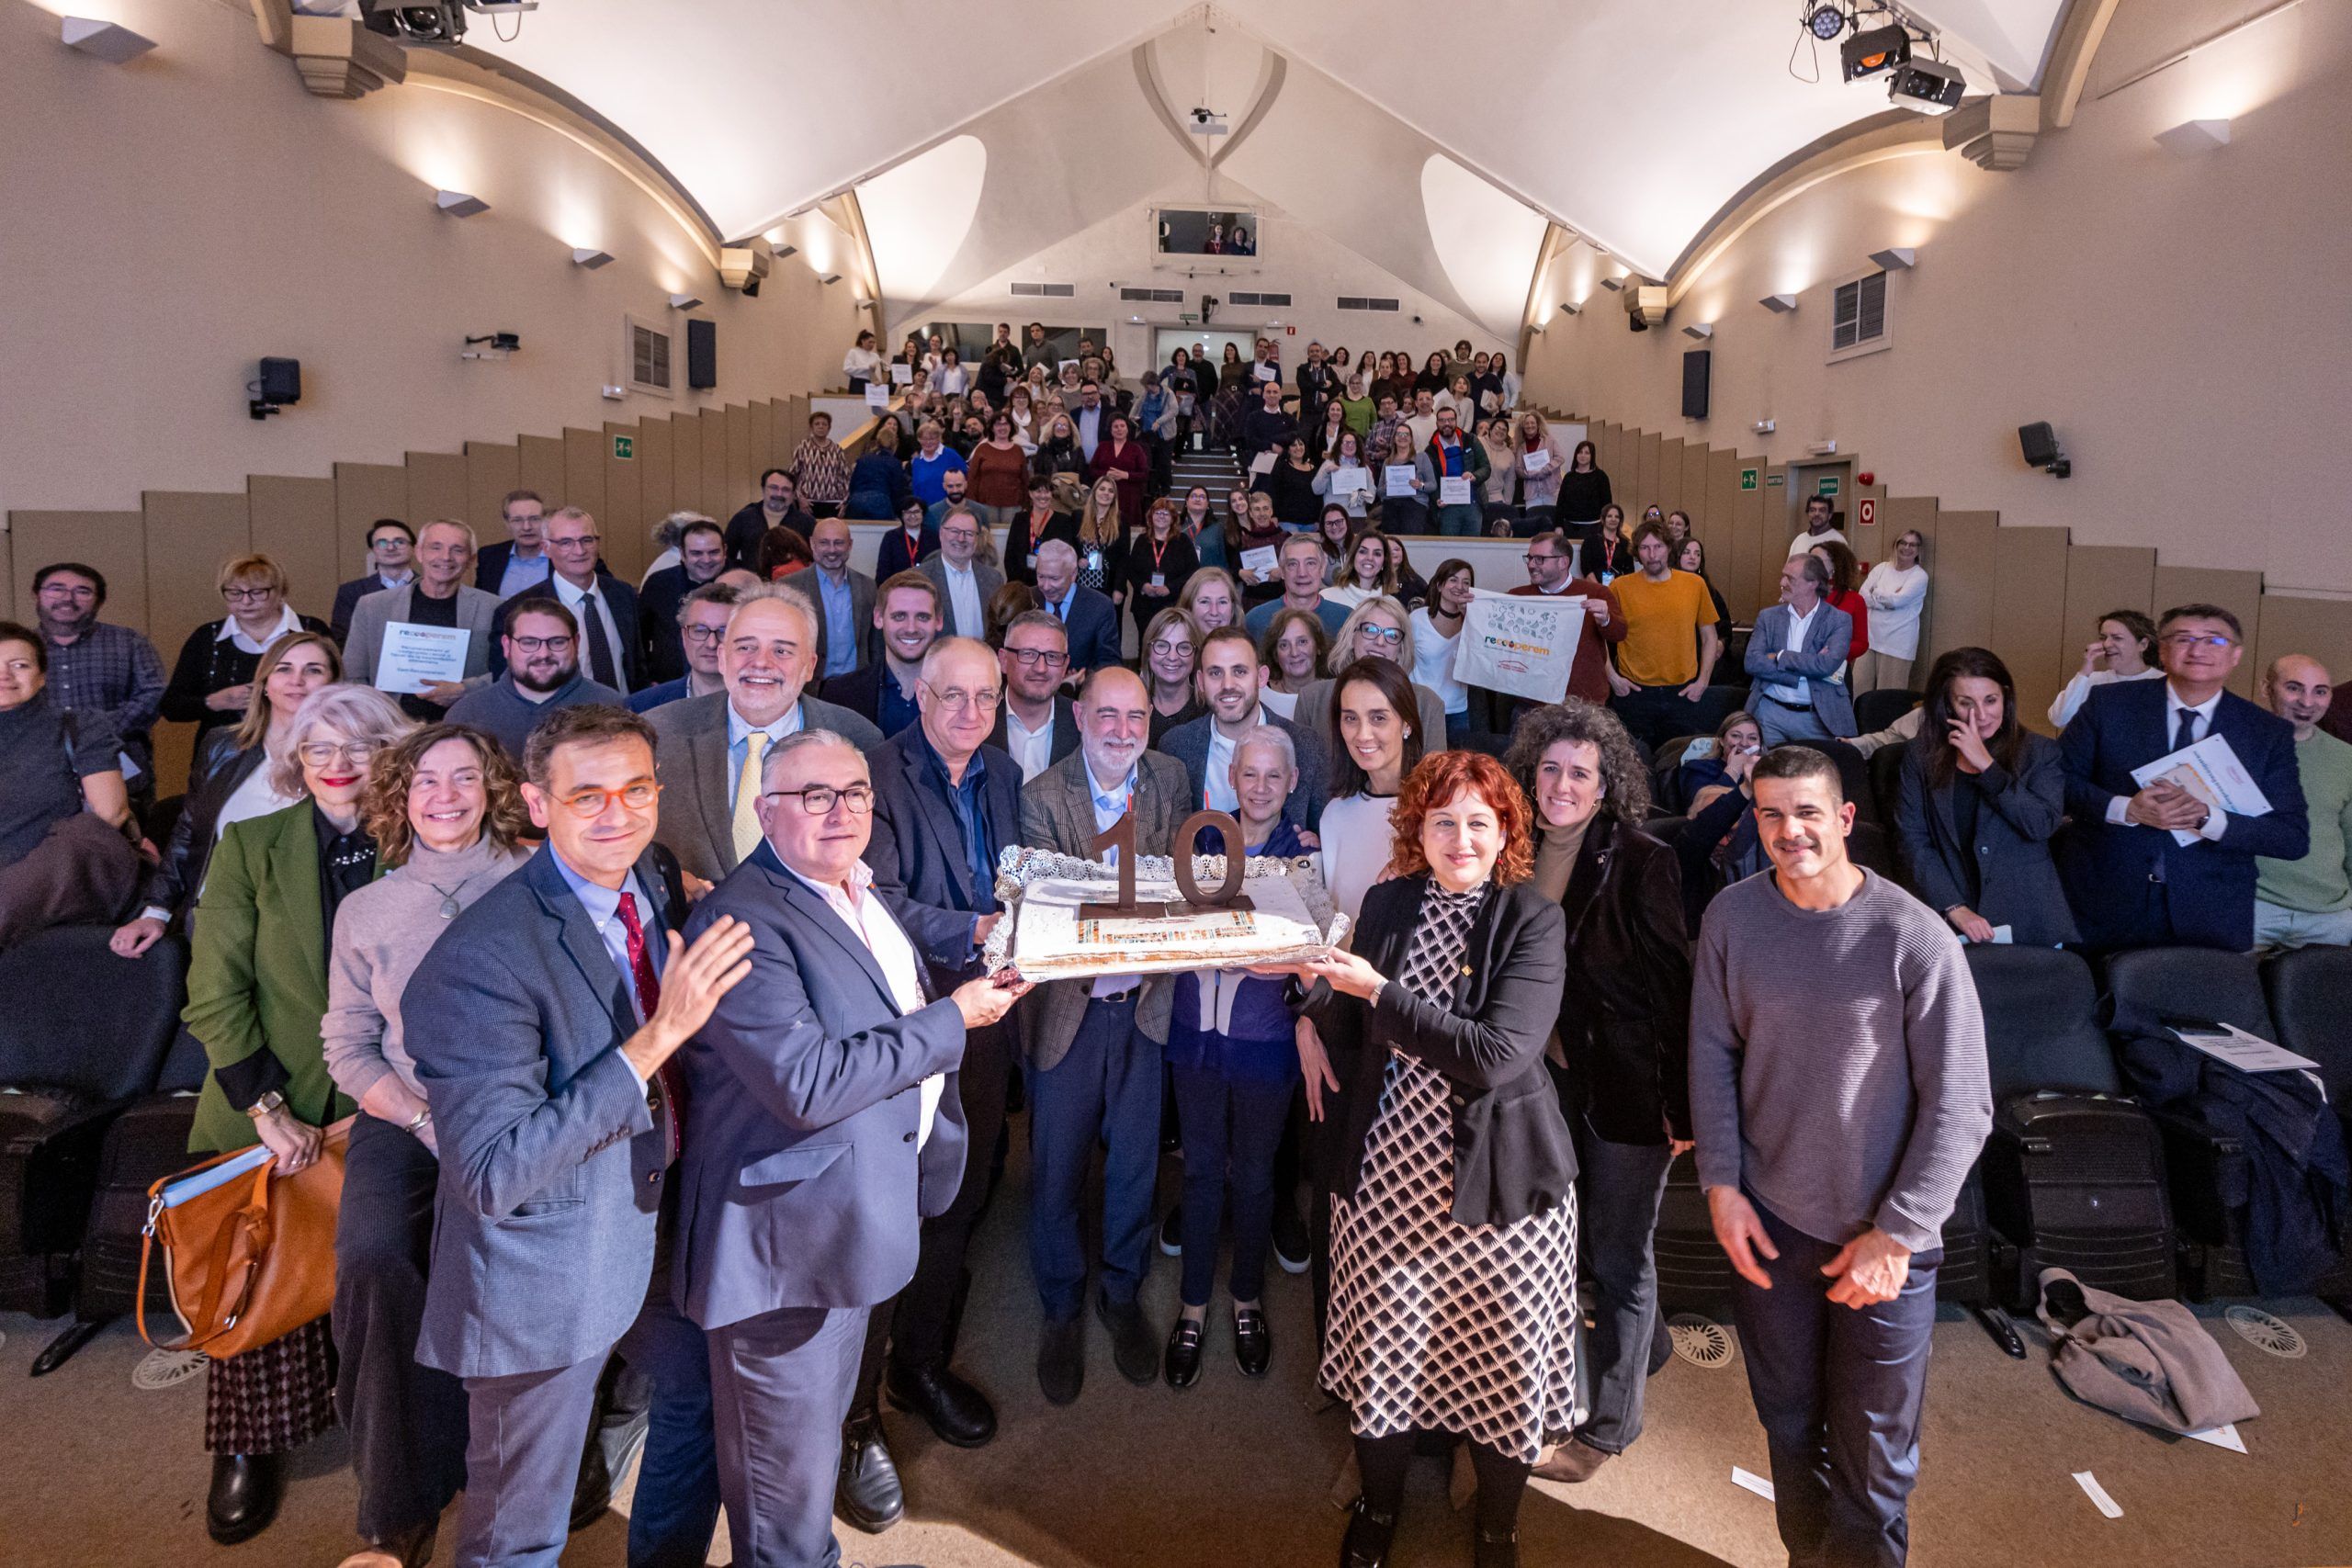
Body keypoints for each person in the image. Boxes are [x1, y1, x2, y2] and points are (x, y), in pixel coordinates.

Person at [402, 705, 754, 1568]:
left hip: (650, 1225)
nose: (617, 813)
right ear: (534, 803)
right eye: (587, 794)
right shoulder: (477, 959)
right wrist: (656, 1037)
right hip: (541, 1267)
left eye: (636, 789)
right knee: (519, 1529)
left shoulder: (655, 874)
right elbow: (492, 1171)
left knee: (703, 1394)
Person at [675, 723, 1023, 1561]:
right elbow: (809, 1082)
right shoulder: (744, 919)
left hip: (844, 1219)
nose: (841, 811)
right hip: (785, 1250)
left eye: (856, 793)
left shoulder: (851, 890)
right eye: (815, 795)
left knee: (807, 1453)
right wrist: (956, 1018)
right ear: (765, 810)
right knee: (781, 1503)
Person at [1691, 744, 1991, 1568]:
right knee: (1788, 1423)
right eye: (1773, 814)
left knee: (1872, 1458)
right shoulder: (1733, 918)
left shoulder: (1913, 936)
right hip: (1773, 1221)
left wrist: (1896, 1235)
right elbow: (1712, 1055)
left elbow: (1964, 1105)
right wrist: (1720, 1183)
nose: (1791, 831)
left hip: (1883, 1239)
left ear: (1846, 819)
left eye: (1808, 812)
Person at [1282, 749, 1572, 1568]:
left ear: (1506, 829)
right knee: (1387, 1360)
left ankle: (1497, 1526)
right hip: (1386, 1177)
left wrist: (1375, 990)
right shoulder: (1385, 901)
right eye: (1442, 820)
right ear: (1418, 828)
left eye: (1479, 821)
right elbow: (1347, 1024)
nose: (1460, 837)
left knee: (1499, 1367)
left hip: (1500, 1192)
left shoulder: (1533, 919)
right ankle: (1380, 1509)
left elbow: (1491, 1055)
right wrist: (1309, 991)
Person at [181, 682, 413, 1544]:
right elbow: (213, 989)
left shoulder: (421, 839)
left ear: (389, 755)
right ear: (296, 760)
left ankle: (391, 1435)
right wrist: (266, 1105)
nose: (339, 765)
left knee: (384, 1269)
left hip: (388, 1100)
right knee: (255, 1273)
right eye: (320, 750)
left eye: (358, 747)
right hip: (265, 1095)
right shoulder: (252, 842)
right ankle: (250, 1444)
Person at [320, 723, 531, 1568]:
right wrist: (417, 1117)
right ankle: (399, 1504)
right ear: (400, 798)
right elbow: (347, 1043)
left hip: (517, 1105)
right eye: (425, 782)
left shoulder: (537, 881)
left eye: (464, 778)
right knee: (374, 1255)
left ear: (493, 789)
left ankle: (533, 1461)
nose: (444, 795)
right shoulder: (367, 908)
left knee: (504, 1264)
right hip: (403, 1109)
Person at [837, 639, 1024, 1525]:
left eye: (985, 697)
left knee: (959, 1192)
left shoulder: (1001, 769)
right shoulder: (875, 770)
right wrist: (977, 924)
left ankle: (917, 1365)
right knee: (888, 1205)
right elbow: (871, 897)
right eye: (954, 696)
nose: (970, 711)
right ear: (920, 694)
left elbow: (1019, 875)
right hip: (904, 1018)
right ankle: (852, 1412)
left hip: (989, 1010)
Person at [1493, 701, 1689, 1484]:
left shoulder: (1642, 858)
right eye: (1550, 768)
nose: (1562, 784)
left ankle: (1609, 1430)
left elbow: (1675, 987)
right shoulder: (1518, 849)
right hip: (1554, 1079)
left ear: (1607, 783)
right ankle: (1654, 1345)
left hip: (1628, 1085)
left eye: (1580, 772)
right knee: (1585, 1242)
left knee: (1617, 1256)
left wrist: (1683, 1103)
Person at [1020, 667, 1190, 1404]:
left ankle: (1121, 1292)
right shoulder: (1041, 796)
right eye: (1107, 715)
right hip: (1071, 1011)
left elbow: (1181, 884)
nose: (1122, 731)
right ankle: (1060, 1302)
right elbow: (1056, 909)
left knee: (1133, 1169)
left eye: (1136, 717)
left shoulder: (1171, 780)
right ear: (1080, 717)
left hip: (1147, 1007)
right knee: (1055, 1168)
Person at [1161, 726, 1307, 1390]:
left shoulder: (1308, 856)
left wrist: (1272, 961)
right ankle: (1191, 1306)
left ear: (1292, 783)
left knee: (1253, 1176)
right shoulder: (1197, 845)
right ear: (1232, 781)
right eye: (1250, 774)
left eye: (1274, 776)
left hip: (1264, 1045)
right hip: (1193, 1037)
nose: (1261, 787)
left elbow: (1318, 961)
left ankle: (1245, 1299)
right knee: (1197, 1175)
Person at [2058, 604, 2309, 952]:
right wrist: (2126, 809)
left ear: (2235, 655)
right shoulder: (2108, 704)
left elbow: (2292, 837)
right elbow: (2057, 781)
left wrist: (2206, 818)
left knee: (2193, 1006)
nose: (2198, 650)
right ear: (2162, 649)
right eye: (2184, 638)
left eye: (2215, 641)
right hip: (2104, 900)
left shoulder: (2266, 732)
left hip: (2209, 913)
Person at [110, 631, 339, 957]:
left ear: (334, 682)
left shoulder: (349, 755)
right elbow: (189, 835)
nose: (297, 681)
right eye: (284, 668)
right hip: (218, 910)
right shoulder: (222, 746)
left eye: (314, 670)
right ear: (264, 680)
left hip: (310, 914)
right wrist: (156, 911)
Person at [648, 585, 885, 888]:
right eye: (746, 647)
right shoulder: (659, 735)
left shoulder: (859, 739)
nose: (761, 663)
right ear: (722, 658)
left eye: (782, 650)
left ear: (810, 666)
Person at [1895, 649, 2079, 949]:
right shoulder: (1921, 755)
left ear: (2005, 697)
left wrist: (1988, 768)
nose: (1981, 715)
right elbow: (1913, 839)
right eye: (1965, 703)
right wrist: (1953, 906)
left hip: (2028, 921)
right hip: (1948, 919)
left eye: (1990, 700)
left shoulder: (2040, 752)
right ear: (1946, 704)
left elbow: (2041, 824)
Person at [0, 622, 139, 949]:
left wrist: (19, 882)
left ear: (42, 676)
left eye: (19, 665)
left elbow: (111, 814)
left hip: (56, 874)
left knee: (81, 836)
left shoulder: (79, 726)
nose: (5, 675)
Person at [1162, 624, 1329, 828]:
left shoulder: (1307, 747)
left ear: (1261, 677)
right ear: (1200, 681)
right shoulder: (1175, 746)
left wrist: (1316, 844)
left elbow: (1325, 834)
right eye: (1215, 673)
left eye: (1239, 671)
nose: (1228, 685)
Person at [164, 553, 332, 750]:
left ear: (280, 593)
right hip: (224, 757)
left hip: (302, 747)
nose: (245, 601)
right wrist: (214, 702)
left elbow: (340, 690)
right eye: (235, 593)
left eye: (257, 592)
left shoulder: (312, 630)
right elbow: (171, 707)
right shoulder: (207, 637)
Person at [31, 561, 167, 795]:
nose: (67, 598)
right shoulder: (17, 648)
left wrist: (95, 732)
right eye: (56, 588)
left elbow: (155, 693)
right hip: (37, 767)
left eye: (82, 591)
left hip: (118, 764)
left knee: (122, 829)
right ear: (36, 595)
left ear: (99, 601)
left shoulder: (129, 642)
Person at [346, 520, 503, 721]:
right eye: (435, 547)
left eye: (457, 550)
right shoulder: (373, 606)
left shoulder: (494, 607)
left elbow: (509, 673)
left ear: (471, 560)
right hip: (390, 727)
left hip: (465, 726)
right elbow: (353, 676)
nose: (445, 557)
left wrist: (465, 689)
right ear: (419, 553)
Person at [1313, 657, 1425, 929]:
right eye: (1351, 718)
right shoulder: (1335, 814)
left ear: (1407, 723)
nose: (1363, 734)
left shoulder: (1436, 810)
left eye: (1378, 718)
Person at [447, 598, 624, 762]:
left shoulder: (610, 707)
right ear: (507, 646)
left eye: (557, 642)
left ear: (576, 644)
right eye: (529, 642)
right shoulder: (465, 715)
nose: (543, 654)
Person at [2254, 656, 2352, 949]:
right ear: (2266, 688)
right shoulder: (2236, 744)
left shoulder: (2346, 758)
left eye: (2320, 691)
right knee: (2224, 993)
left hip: (2329, 914)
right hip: (2252, 906)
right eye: (2294, 688)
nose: (2307, 702)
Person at [496, 507, 642, 696]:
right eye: (566, 542)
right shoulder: (517, 609)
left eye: (586, 540)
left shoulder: (623, 594)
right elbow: (509, 683)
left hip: (624, 714)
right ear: (546, 548)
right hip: (561, 721)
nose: (579, 550)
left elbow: (638, 665)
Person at [1605, 522, 1722, 753]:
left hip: (1683, 692)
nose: (1652, 555)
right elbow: (1596, 638)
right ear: (1636, 551)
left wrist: (1703, 682)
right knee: (1633, 766)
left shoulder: (1694, 584)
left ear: (1669, 548)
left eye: (1658, 546)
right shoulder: (1620, 587)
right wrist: (1612, 677)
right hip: (1634, 694)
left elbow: (1710, 637)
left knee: (1678, 764)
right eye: (1645, 548)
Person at [1293, 597, 1450, 761]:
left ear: (1401, 649)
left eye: (1392, 635)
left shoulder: (1428, 703)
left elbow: (1436, 780)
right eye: (1370, 630)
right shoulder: (1312, 698)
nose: (1380, 641)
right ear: (1352, 637)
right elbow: (1301, 771)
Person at [1746, 554, 1858, 748]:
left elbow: (1826, 666)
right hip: (1769, 713)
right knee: (1764, 774)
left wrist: (1781, 656)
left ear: (1812, 583)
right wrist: (1802, 671)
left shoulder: (1839, 620)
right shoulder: (1768, 617)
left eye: (1790, 578)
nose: (1782, 582)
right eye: (1783, 576)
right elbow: (1752, 662)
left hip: (1818, 716)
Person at [1506, 531, 1627, 707]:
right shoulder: (1518, 596)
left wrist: (1606, 619)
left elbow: (1620, 633)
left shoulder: (1596, 593)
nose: (1531, 565)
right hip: (1532, 704)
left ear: (1563, 562)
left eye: (1539, 559)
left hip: (1584, 704)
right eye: (1529, 558)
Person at [820, 570, 942, 740]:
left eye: (922, 617)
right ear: (878, 618)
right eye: (899, 616)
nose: (911, 628)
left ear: (939, 621)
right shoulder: (840, 694)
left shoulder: (960, 695)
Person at [989, 610, 1078, 781]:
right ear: (1003, 660)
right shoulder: (977, 720)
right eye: (1028, 654)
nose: (1040, 668)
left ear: (1065, 666)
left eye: (1052, 657)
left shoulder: (1083, 725)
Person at [630, 581, 740, 715]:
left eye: (724, 632)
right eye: (699, 630)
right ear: (684, 636)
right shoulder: (641, 707)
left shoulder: (763, 707)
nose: (712, 644)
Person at [2048, 608, 2162, 728]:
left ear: (2143, 644)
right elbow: (2059, 719)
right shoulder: (2093, 680)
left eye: (2117, 638)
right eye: (2103, 638)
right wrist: (2085, 672)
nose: (2107, 644)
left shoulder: (2162, 682)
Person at [1409, 558, 1478, 748]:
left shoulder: (1476, 623)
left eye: (1466, 582)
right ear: (1439, 585)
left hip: (1458, 710)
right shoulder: (1417, 619)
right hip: (1422, 707)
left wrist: (1469, 617)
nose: (1460, 586)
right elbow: (1402, 661)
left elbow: (1481, 664)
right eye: (1453, 580)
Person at [1032, 538, 1122, 680]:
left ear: (1073, 574)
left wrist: (1084, 678)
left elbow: (1110, 663)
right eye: (1041, 576)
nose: (1046, 586)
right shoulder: (1026, 600)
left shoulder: (1100, 607)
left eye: (1054, 579)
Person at [1854, 531, 1930, 695]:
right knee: (1858, 689)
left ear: (1918, 550)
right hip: (1870, 639)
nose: (1907, 547)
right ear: (1896, 545)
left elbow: (1897, 601)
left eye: (1912, 544)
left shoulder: (1919, 576)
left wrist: (1876, 593)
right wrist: (1887, 598)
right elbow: (1862, 596)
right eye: (1903, 543)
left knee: (1887, 696)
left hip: (1897, 644)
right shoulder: (1881, 568)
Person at [917, 506, 1006, 645]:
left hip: (982, 663)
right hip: (937, 663)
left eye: (969, 533)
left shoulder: (994, 580)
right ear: (941, 533)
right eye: (954, 531)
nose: (961, 538)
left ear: (977, 539)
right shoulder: (918, 579)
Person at [1244, 532, 1352, 643]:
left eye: (1310, 563)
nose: (1302, 573)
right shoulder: (1255, 620)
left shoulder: (1346, 619)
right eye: (1292, 564)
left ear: (1322, 569)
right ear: (1282, 571)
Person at [332, 520, 417, 645]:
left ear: (414, 549)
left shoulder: (431, 589)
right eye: (382, 543)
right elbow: (341, 639)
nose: (390, 548)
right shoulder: (351, 592)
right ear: (372, 550)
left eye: (399, 542)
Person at [725, 469, 816, 570]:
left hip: (793, 583)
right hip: (752, 583)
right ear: (763, 489)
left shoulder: (807, 523)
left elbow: (814, 559)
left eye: (786, 490)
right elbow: (727, 556)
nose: (779, 494)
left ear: (793, 494)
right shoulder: (742, 519)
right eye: (774, 488)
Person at [1421, 405, 1489, 538]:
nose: (1447, 424)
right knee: (1449, 549)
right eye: (1442, 420)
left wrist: (1474, 476)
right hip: (1447, 509)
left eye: (1451, 420)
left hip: (1473, 505)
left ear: (1456, 421)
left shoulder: (1471, 440)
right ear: (1437, 423)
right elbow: (1431, 480)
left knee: (1473, 549)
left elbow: (1486, 468)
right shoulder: (1430, 451)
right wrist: (1437, 499)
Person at [1141, 606, 1205, 746]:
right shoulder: (1131, 708)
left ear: (1196, 655)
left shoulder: (1208, 711)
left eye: (1184, 647)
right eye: (1162, 645)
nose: (1172, 657)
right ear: (1148, 652)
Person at [475, 490, 555, 598]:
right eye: (517, 520)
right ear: (507, 523)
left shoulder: (560, 554)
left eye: (535, 519)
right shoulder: (489, 557)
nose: (527, 527)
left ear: (546, 521)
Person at [1259, 605, 1330, 722]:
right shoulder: (1259, 694)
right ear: (1275, 654)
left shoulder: (1333, 692)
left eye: (1302, 642)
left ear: (1318, 647)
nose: (1294, 653)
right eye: (1284, 645)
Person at [1810, 540, 1871, 670]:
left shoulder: (1854, 599)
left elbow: (1861, 643)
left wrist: (1832, 651)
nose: (1810, 565)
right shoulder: (1802, 592)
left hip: (1836, 668)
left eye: (1818, 561)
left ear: (1835, 566)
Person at [1554, 440, 1611, 570]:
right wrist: (1558, 525)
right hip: (1569, 528)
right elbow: (1560, 503)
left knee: (1590, 563)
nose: (1583, 455)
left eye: (1587, 453)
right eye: (1580, 452)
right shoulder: (1568, 477)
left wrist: (1605, 527)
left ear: (1592, 456)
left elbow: (1607, 504)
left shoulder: (1601, 477)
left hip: (1593, 529)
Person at [845, 420, 914, 521]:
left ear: (877, 442)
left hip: (856, 504)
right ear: (894, 444)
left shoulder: (863, 459)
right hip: (882, 505)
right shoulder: (894, 463)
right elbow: (898, 491)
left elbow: (852, 485)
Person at [789, 412, 851, 517]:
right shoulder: (802, 448)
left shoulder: (837, 449)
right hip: (808, 503)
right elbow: (792, 476)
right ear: (811, 428)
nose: (821, 426)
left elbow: (846, 477)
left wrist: (845, 502)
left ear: (829, 428)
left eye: (824, 424)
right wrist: (800, 498)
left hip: (833, 503)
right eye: (817, 424)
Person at [1676, 537, 1733, 643]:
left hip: (1706, 647)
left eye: (1697, 554)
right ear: (1677, 557)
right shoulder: (1669, 587)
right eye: (1687, 553)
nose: (1693, 557)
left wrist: (1721, 643)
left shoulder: (1710, 591)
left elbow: (1725, 627)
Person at [1323, 529, 1395, 612]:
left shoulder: (1392, 606)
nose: (1369, 558)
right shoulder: (1327, 597)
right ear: (1353, 557)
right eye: (1363, 552)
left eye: (1377, 554)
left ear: (1384, 562)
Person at [1176, 562, 1238, 639]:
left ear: (1232, 609)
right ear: (1189, 607)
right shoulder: (1173, 649)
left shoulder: (1245, 649)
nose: (1214, 612)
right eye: (1204, 602)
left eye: (1222, 602)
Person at [842, 329, 884, 395]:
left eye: (874, 342)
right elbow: (846, 369)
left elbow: (878, 374)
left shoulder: (875, 356)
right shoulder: (854, 352)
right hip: (857, 383)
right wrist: (867, 368)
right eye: (870, 342)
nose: (872, 345)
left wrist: (879, 383)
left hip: (871, 384)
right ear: (862, 341)